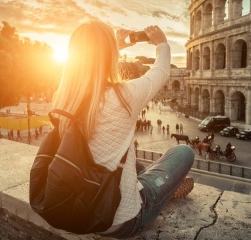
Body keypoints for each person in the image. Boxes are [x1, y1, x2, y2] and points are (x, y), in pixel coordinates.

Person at [50, 21, 194, 238]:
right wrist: (162, 43)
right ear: (110, 55)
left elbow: (90, 71)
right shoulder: (122, 96)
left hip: (78, 202)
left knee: (129, 158)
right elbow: (162, 71)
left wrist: (112, 49)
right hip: (122, 220)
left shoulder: (62, 97)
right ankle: (160, 191)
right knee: (183, 152)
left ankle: (155, 183)